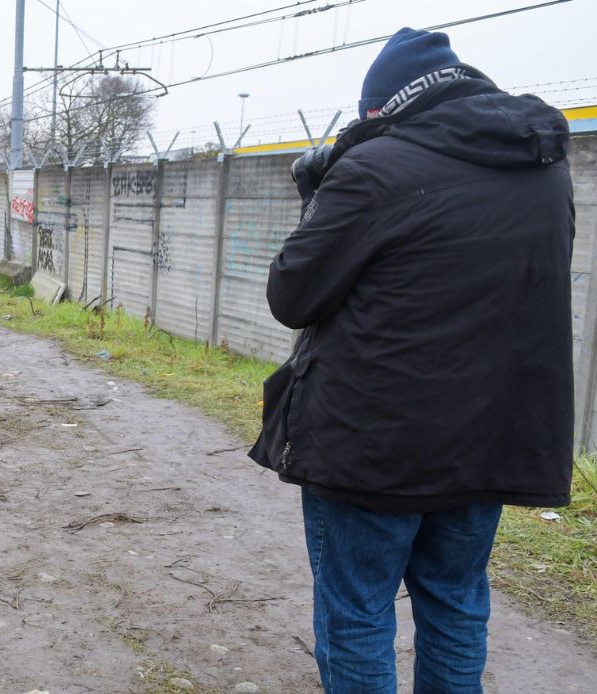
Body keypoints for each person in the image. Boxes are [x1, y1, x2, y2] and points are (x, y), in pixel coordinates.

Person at [249, 27, 575, 694]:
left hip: (373, 446)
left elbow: (292, 293)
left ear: (382, 107)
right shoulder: (542, 168)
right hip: (488, 439)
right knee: (455, 600)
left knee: (357, 611)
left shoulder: (373, 169)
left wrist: (320, 194)